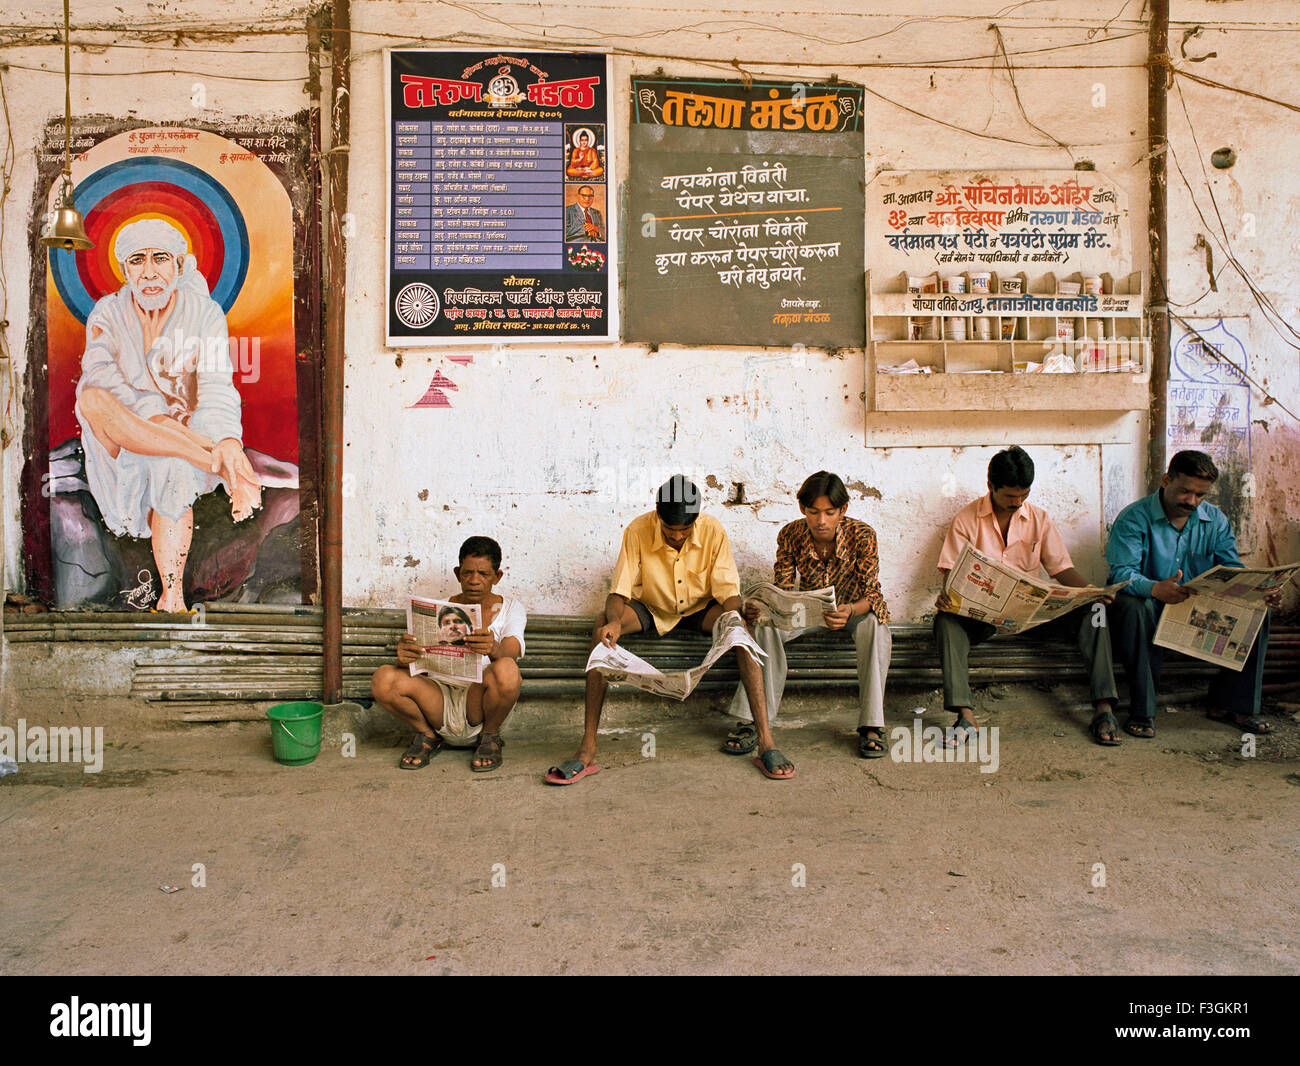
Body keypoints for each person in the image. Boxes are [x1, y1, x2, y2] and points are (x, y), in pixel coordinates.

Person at [546, 475, 792, 784]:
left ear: (695, 520)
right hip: (652, 608)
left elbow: (728, 591)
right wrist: (612, 622)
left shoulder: (713, 530)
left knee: (742, 632)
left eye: (684, 530)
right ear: (658, 517)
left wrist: (735, 619)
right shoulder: (638, 530)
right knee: (601, 630)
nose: (676, 536)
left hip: (700, 609)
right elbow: (619, 592)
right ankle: (587, 749)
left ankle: (766, 742)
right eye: (669, 529)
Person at [74, 218, 262, 613]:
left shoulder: (204, 314)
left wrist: (227, 436)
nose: (149, 271)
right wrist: (160, 420)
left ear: (179, 265)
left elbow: (215, 385)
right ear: (124, 270)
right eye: (137, 260)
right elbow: (103, 379)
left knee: (169, 466)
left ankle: (171, 596)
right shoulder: (107, 312)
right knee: (92, 398)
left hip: (185, 435)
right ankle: (218, 460)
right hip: (124, 434)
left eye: (160, 258)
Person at [935, 446, 1121, 745]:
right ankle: (965, 714)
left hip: (1033, 617)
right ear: (991, 487)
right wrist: (950, 595)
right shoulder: (966, 519)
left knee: (1096, 612)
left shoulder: (1039, 518)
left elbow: (1061, 568)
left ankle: (1103, 708)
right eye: (1010, 496)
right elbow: (951, 572)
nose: (1017, 502)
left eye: (1024, 495)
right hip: (985, 619)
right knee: (945, 621)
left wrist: (1090, 592)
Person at [1105, 449, 1281, 737]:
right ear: (1165, 480)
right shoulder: (1134, 518)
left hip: (1193, 608)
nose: (1192, 502)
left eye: (1200, 495)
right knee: (1135, 606)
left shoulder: (1216, 521)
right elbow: (1120, 574)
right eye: (1185, 492)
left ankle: (1230, 705)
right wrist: (1154, 588)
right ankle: (1143, 711)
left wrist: (1256, 592)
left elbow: (1232, 571)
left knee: (1259, 612)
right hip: (1149, 606)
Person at [732, 471, 893, 758]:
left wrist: (850, 611)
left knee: (875, 625)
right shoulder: (791, 534)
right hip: (805, 612)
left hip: (850, 611)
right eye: (813, 512)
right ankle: (754, 721)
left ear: (842, 510)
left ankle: (872, 725)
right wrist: (763, 606)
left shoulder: (863, 535)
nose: (821, 521)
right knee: (764, 627)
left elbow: (872, 594)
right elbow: (781, 587)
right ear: (802, 509)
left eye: (829, 512)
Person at [370, 536, 526, 772]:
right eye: (467, 573)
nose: (474, 581)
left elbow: (510, 656)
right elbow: (418, 660)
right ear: (457, 573)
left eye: (483, 574)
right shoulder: (440, 609)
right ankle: (427, 735)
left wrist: (493, 648)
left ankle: (490, 737)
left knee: (506, 668)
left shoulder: (511, 608)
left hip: (480, 702)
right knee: (384, 678)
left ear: (497, 577)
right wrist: (404, 657)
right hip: (438, 700)